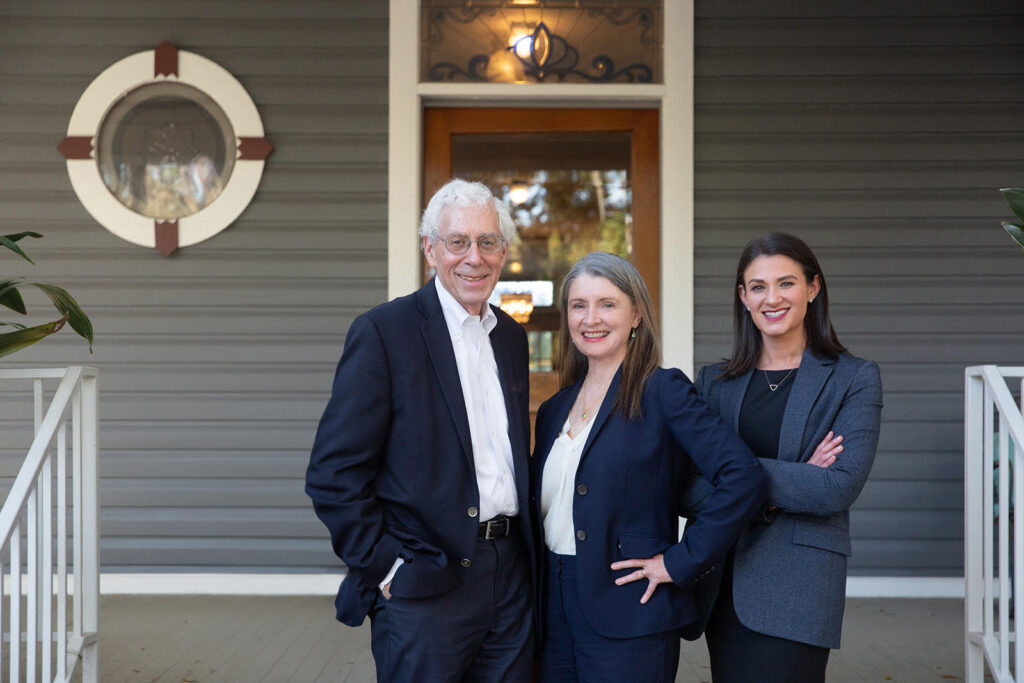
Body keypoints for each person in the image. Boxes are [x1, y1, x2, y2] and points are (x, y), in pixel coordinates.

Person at [305, 178, 535, 682]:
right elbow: (332, 473)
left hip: (511, 577)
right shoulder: (385, 333)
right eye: (458, 242)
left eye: (488, 242)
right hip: (425, 582)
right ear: (430, 249)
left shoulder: (511, 339)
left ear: (503, 251)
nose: (474, 257)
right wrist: (387, 567)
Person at [531, 251, 767, 683]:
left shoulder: (662, 391)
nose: (591, 318)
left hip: (630, 609)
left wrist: (680, 561)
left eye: (607, 304)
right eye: (578, 305)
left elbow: (743, 478)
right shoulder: (553, 410)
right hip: (551, 610)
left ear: (636, 313)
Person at [690, 232, 883, 682]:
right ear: (743, 297)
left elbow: (837, 487)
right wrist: (793, 479)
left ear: (813, 288)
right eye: (757, 287)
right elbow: (685, 485)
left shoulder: (853, 379)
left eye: (786, 283)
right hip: (725, 581)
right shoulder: (714, 382)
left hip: (801, 587)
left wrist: (733, 481)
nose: (771, 298)